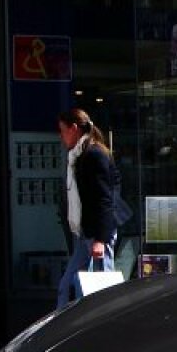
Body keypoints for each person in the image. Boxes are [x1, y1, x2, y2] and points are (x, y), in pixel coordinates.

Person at [56, 108, 124, 308]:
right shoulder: (78, 156)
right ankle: (61, 330)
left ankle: (109, 330)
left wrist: (100, 240)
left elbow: (104, 199)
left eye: (62, 130)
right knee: (67, 287)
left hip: (96, 235)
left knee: (102, 293)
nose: (60, 136)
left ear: (74, 128)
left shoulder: (93, 155)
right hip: (85, 233)